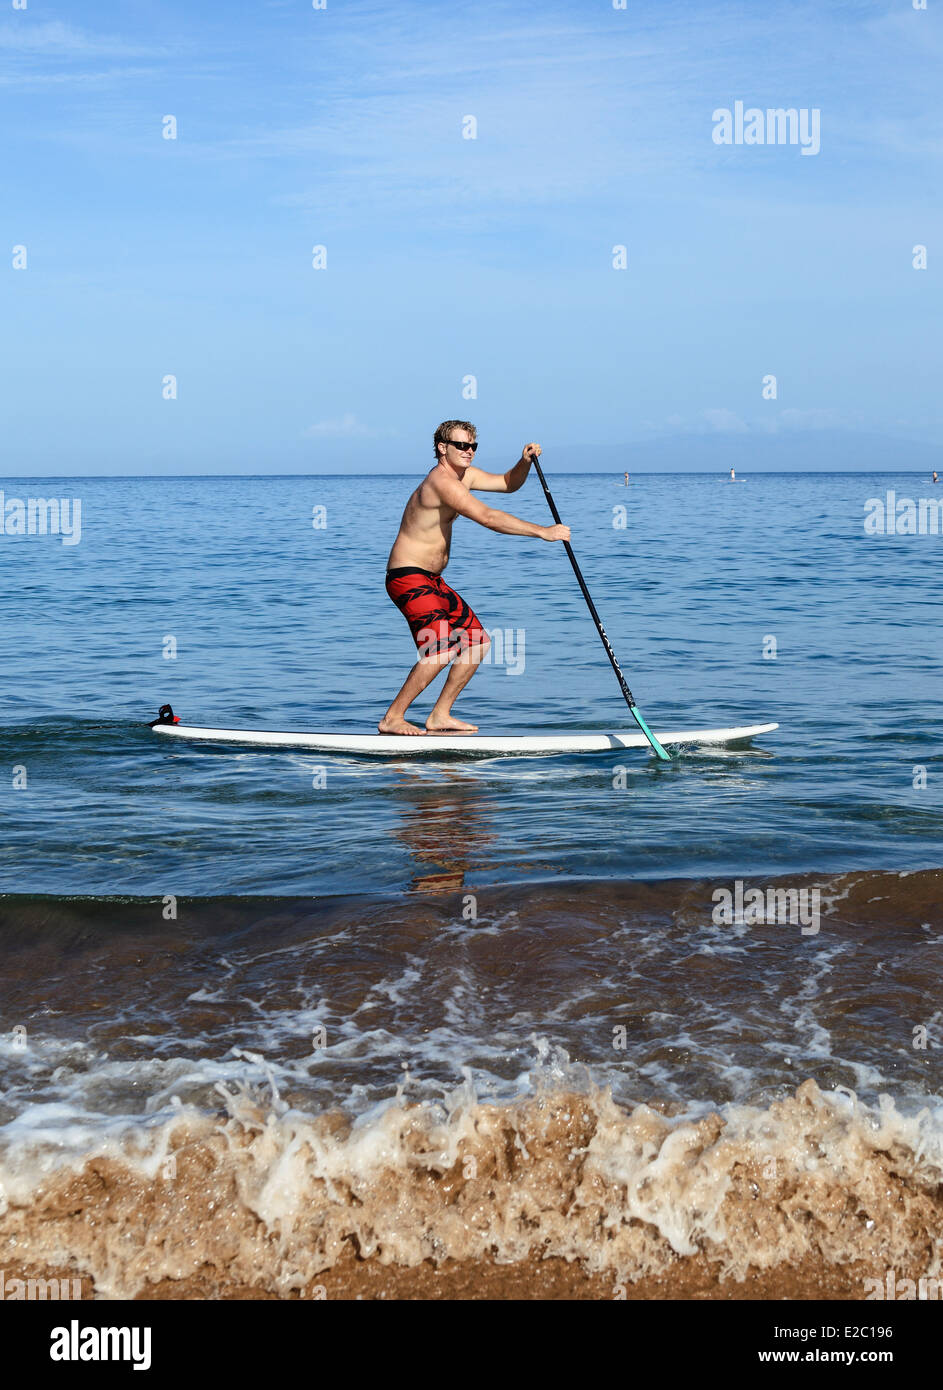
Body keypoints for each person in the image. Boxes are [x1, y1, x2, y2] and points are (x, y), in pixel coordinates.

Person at [379, 421, 570, 735]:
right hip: (408, 577)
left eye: (472, 446)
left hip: (433, 580)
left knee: (476, 643)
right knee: (439, 649)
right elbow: (489, 518)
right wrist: (542, 532)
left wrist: (523, 463)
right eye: (461, 446)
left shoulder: (464, 476)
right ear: (442, 448)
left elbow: (509, 484)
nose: (468, 452)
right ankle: (392, 718)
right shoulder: (441, 482)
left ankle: (440, 715)